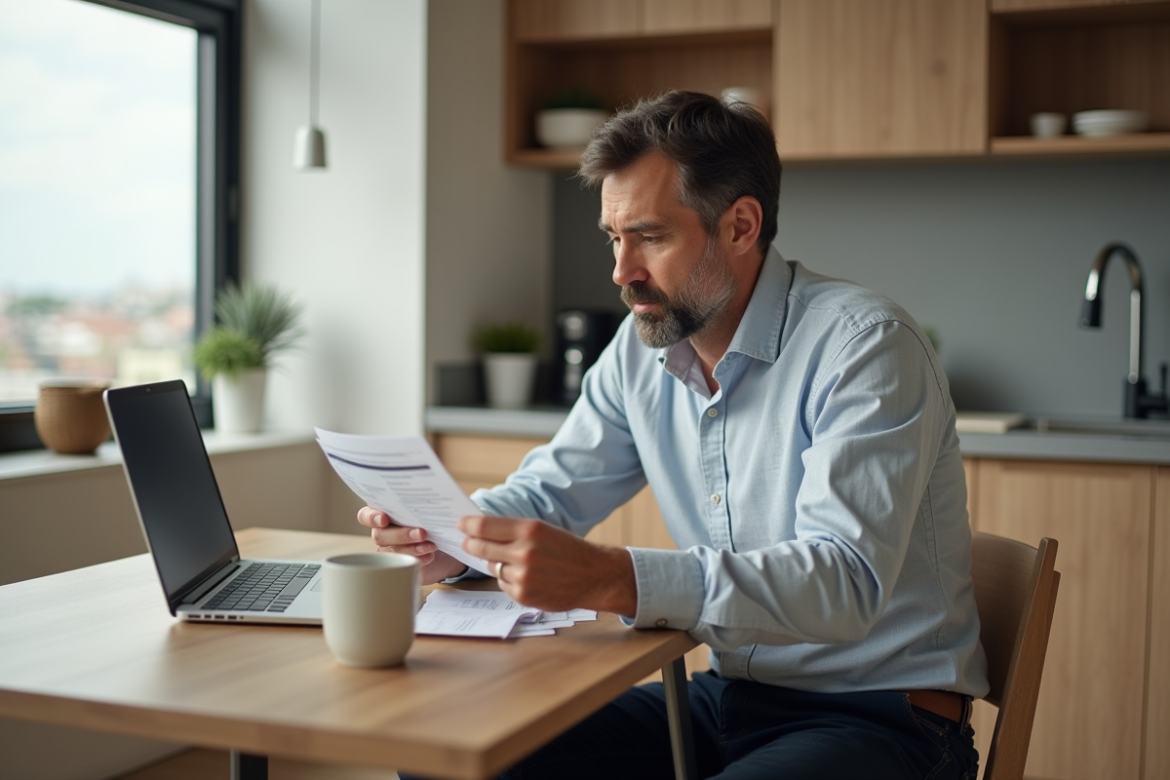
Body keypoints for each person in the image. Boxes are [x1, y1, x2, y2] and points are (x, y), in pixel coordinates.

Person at [360, 90, 987, 779]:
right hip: (722, 699)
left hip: (881, 720)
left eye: (651, 237)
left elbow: (843, 583)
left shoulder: (866, 347)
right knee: (447, 755)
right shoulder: (640, 352)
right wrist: (450, 537)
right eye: (614, 238)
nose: (621, 272)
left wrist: (615, 577)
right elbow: (553, 491)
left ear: (741, 225)